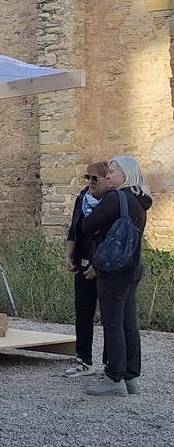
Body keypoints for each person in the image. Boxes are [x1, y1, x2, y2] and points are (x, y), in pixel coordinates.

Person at [80, 156, 151, 397]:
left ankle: (114, 377)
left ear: (125, 175)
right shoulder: (140, 201)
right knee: (128, 322)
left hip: (113, 269)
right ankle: (132, 378)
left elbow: (87, 227)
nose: (107, 176)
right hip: (133, 266)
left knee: (112, 323)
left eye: (112, 172)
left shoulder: (115, 198)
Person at [62, 161, 111, 378]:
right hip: (82, 263)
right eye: (87, 177)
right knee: (83, 312)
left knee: (110, 316)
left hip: (104, 268)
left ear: (107, 181)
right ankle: (84, 360)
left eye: (95, 179)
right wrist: (68, 255)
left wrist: (98, 265)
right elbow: (74, 228)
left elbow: (111, 238)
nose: (90, 182)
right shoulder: (82, 198)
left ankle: (111, 362)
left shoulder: (112, 203)